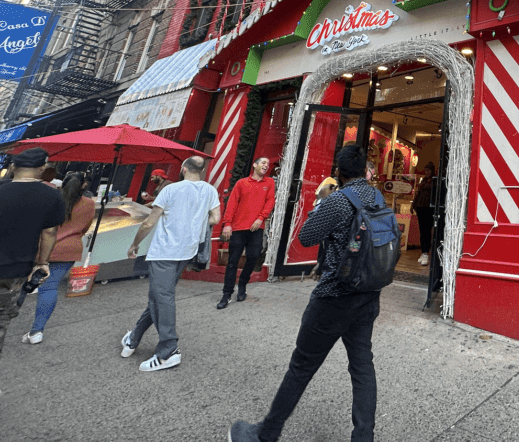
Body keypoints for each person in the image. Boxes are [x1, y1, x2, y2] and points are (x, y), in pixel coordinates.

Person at [230, 146, 384, 442]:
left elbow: (306, 236)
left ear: (339, 172)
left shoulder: (338, 199)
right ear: (365, 169)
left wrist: (321, 203)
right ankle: (363, 437)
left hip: (334, 295)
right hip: (368, 293)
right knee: (363, 365)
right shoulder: (377, 197)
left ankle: (265, 434)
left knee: (301, 366)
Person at [119, 156, 220, 372]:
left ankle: (169, 350)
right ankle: (133, 337)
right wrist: (193, 222)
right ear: (201, 170)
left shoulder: (170, 190)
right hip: (187, 251)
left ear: (183, 169)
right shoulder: (210, 190)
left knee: (163, 298)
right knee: (158, 296)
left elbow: (149, 222)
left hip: (165, 251)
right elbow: (215, 218)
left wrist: (134, 244)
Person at [0, 147, 65, 358]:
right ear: (42, 168)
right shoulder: (51, 195)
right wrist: (42, 262)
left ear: (14, 167)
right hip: (15, 267)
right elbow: (49, 232)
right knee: (1, 319)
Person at [21, 172, 95, 344]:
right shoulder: (89, 204)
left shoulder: (50, 198)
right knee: (49, 287)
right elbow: (85, 228)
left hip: (41, 247)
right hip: (69, 250)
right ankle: (36, 332)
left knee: (24, 284)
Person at [218, 156, 275, 309]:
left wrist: (260, 218)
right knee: (233, 262)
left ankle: (242, 284)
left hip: (256, 228)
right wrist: (227, 224)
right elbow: (231, 203)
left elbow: (270, 201)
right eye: (263, 162)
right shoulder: (241, 183)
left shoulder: (269, 182)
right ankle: (227, 293)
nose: (266, 165)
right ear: (255, 165)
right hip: (238, 228)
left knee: (253, 256)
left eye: (268, 164)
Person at [412, 162, 436, 266]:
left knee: (427, 230)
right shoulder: (423, 181)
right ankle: (423, 252)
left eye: (428, 170)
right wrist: (413, 205)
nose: (426, 172)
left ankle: (426, 253)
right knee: (422, 230)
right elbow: (418, 193)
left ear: (432, 171)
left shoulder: (435, 181)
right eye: (425, 170)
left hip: (429, 209)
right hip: (421, 208)